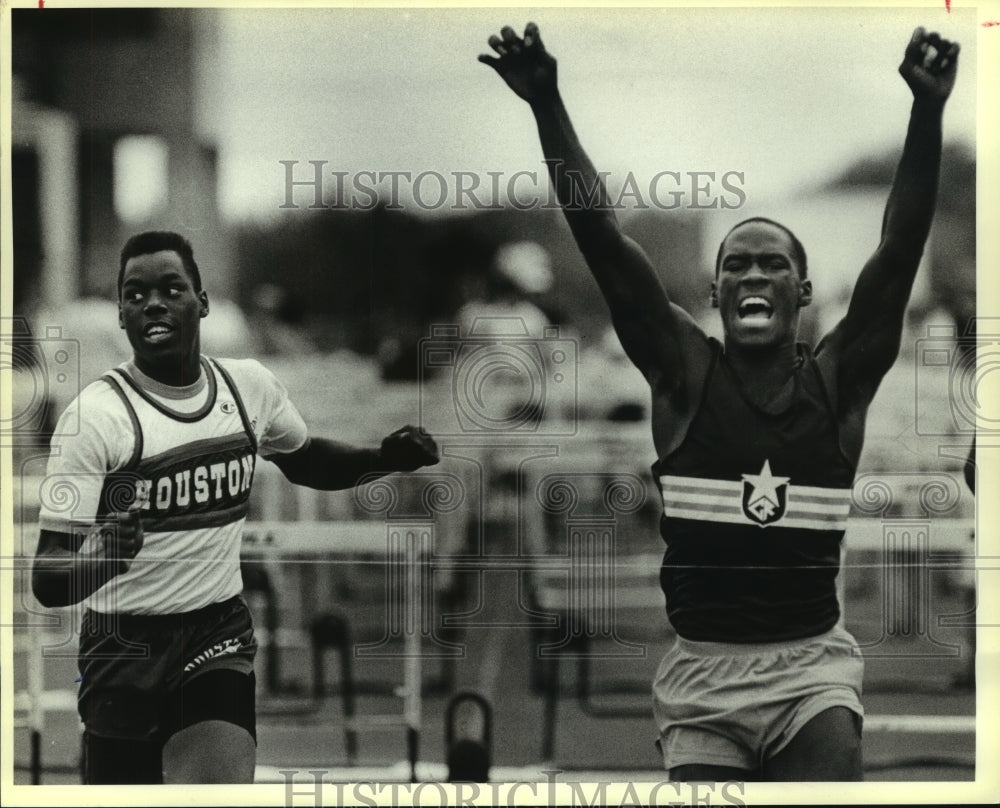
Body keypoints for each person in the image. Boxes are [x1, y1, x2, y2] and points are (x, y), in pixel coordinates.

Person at [480, 23, 958, 781]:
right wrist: (546, 102)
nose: (755, 276)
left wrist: (926, 114)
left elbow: (898, 249)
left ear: (802, 292)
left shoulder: (839, 384)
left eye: (774, 265)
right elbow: (602, 239)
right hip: (703, 678)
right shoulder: (682, 375)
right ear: (715, 290)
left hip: (812, 674)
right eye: (738, 265)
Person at [31, 231, 440, 784]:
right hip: (123, 646)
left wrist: (383, 457)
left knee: (216, 787)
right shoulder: (95, 419)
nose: (153, 303)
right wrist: (101, 559)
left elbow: (307, 460)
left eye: (171, 289)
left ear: (202, 302)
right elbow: (48, 576)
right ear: (121, 317)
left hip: (215, 631)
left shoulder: (248, 388)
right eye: (134, 294)